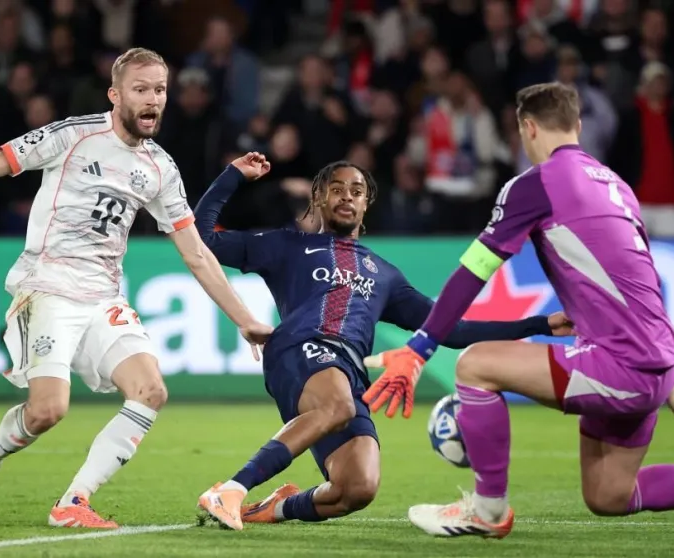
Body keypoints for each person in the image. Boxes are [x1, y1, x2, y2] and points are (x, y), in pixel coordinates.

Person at [363, 82, 674, 550]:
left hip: (623, 364)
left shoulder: (535, 184)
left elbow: (474, 269)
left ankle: (488, 509)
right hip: (654, 361)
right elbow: (640, 285)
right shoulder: (618, 187)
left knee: (475, 366)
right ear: (577, 125)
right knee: (609, 494)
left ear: (527, 128)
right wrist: (670, 381)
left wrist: (419, 348)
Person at [0, 48, 273, 529]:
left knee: (151, 390)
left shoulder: (160, 168)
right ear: (115, 95)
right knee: (48, 411)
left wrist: (244, 319)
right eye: (140, 89)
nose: (153, 99)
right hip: (47, 287)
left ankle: (74, 501)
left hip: (103, 297)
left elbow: (196, 252)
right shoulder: (72, 136)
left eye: (159, 89)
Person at [191, 154, 573, 531]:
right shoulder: (286, 246)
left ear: (365, 204)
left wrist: (539, 323)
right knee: (338, 406)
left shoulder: (385, 276)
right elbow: (202, 239)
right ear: (318, 197)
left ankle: (275, 507)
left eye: (356, 191)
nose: (347, 196)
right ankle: (231, 489)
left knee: (356, 488)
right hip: (299, 349)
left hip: (349, 374)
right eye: (337, 189)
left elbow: (451, 329)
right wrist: (233, 175)